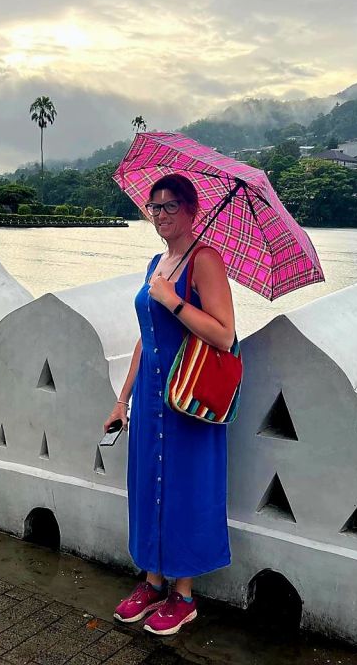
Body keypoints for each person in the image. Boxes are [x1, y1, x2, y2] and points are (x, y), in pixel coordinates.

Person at [104, 173, 236, 636]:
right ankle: (152, 582)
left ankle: (183, 595)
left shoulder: (206, 260)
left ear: (192, 209)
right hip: (151, 400)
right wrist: (122, 399)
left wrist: (173, 300)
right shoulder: (156, 263)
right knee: (149, 487)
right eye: (154, 207)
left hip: (188, 402)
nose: (160, 215)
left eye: (170, 206)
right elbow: (147, 338)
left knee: (185, 490)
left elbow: (224, 334)